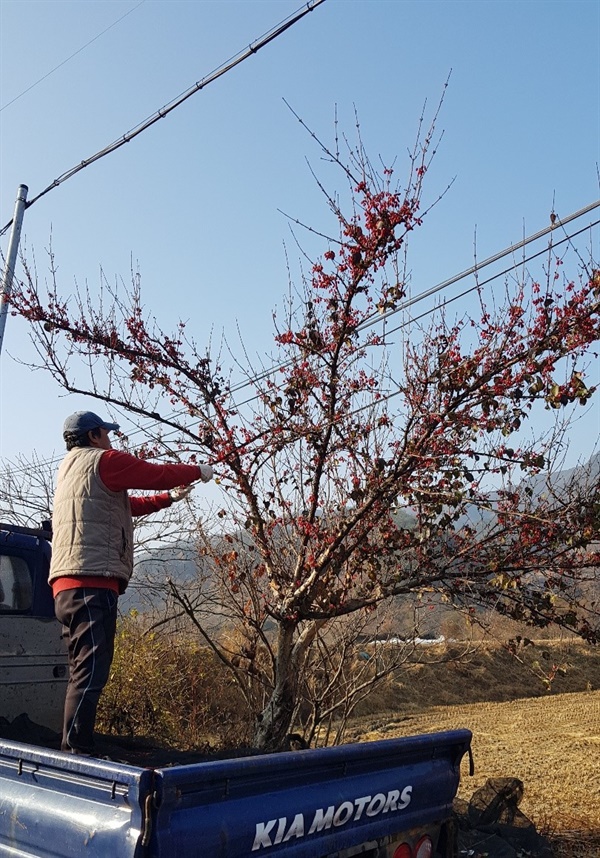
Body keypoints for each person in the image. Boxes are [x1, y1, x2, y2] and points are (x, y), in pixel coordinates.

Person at [49, 409, 214, 756]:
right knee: (92, 670)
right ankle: (76, 749)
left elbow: (125, 506)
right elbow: (152, 473)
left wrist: (167, 499)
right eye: (106, 432)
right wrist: (198, 471)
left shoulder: (69, 471)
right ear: (94, 435)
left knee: (81, 670)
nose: (110, 438)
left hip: (66, 586)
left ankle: (73, 743)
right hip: (91, 583)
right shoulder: (103, 460)